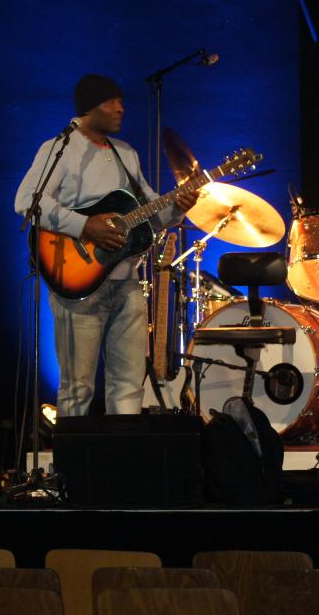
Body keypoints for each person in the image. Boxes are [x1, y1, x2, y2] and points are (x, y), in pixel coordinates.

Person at [15, 74, 198, 417]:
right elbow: (27, 201)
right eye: (112, 101)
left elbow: (149, 214)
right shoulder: (59, 149)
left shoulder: (125, 153)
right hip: (77, 283)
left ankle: (121, 467)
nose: (121, 108)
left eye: (121, 101)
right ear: (90, 107)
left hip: (126, 283)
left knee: (129, 384)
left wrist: (177, 207)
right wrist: (86, 226)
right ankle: (72, 469)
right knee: (77, 387)